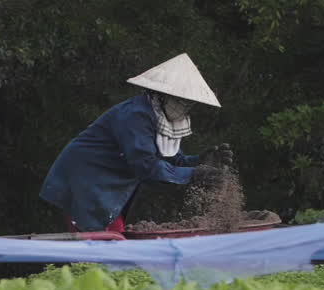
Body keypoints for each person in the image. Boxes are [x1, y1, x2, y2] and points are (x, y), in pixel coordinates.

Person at [40, 53, 234, 233]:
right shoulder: (135, 116)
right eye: (180, 100)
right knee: (101, 242)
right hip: (87, 178)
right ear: (161, 94)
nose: (185, 106)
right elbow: (146, 167)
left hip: (107, 184)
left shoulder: (161, 118)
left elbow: (171, 159)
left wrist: (199, 161)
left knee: (112, 235)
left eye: (188, 102)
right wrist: (194, 174)